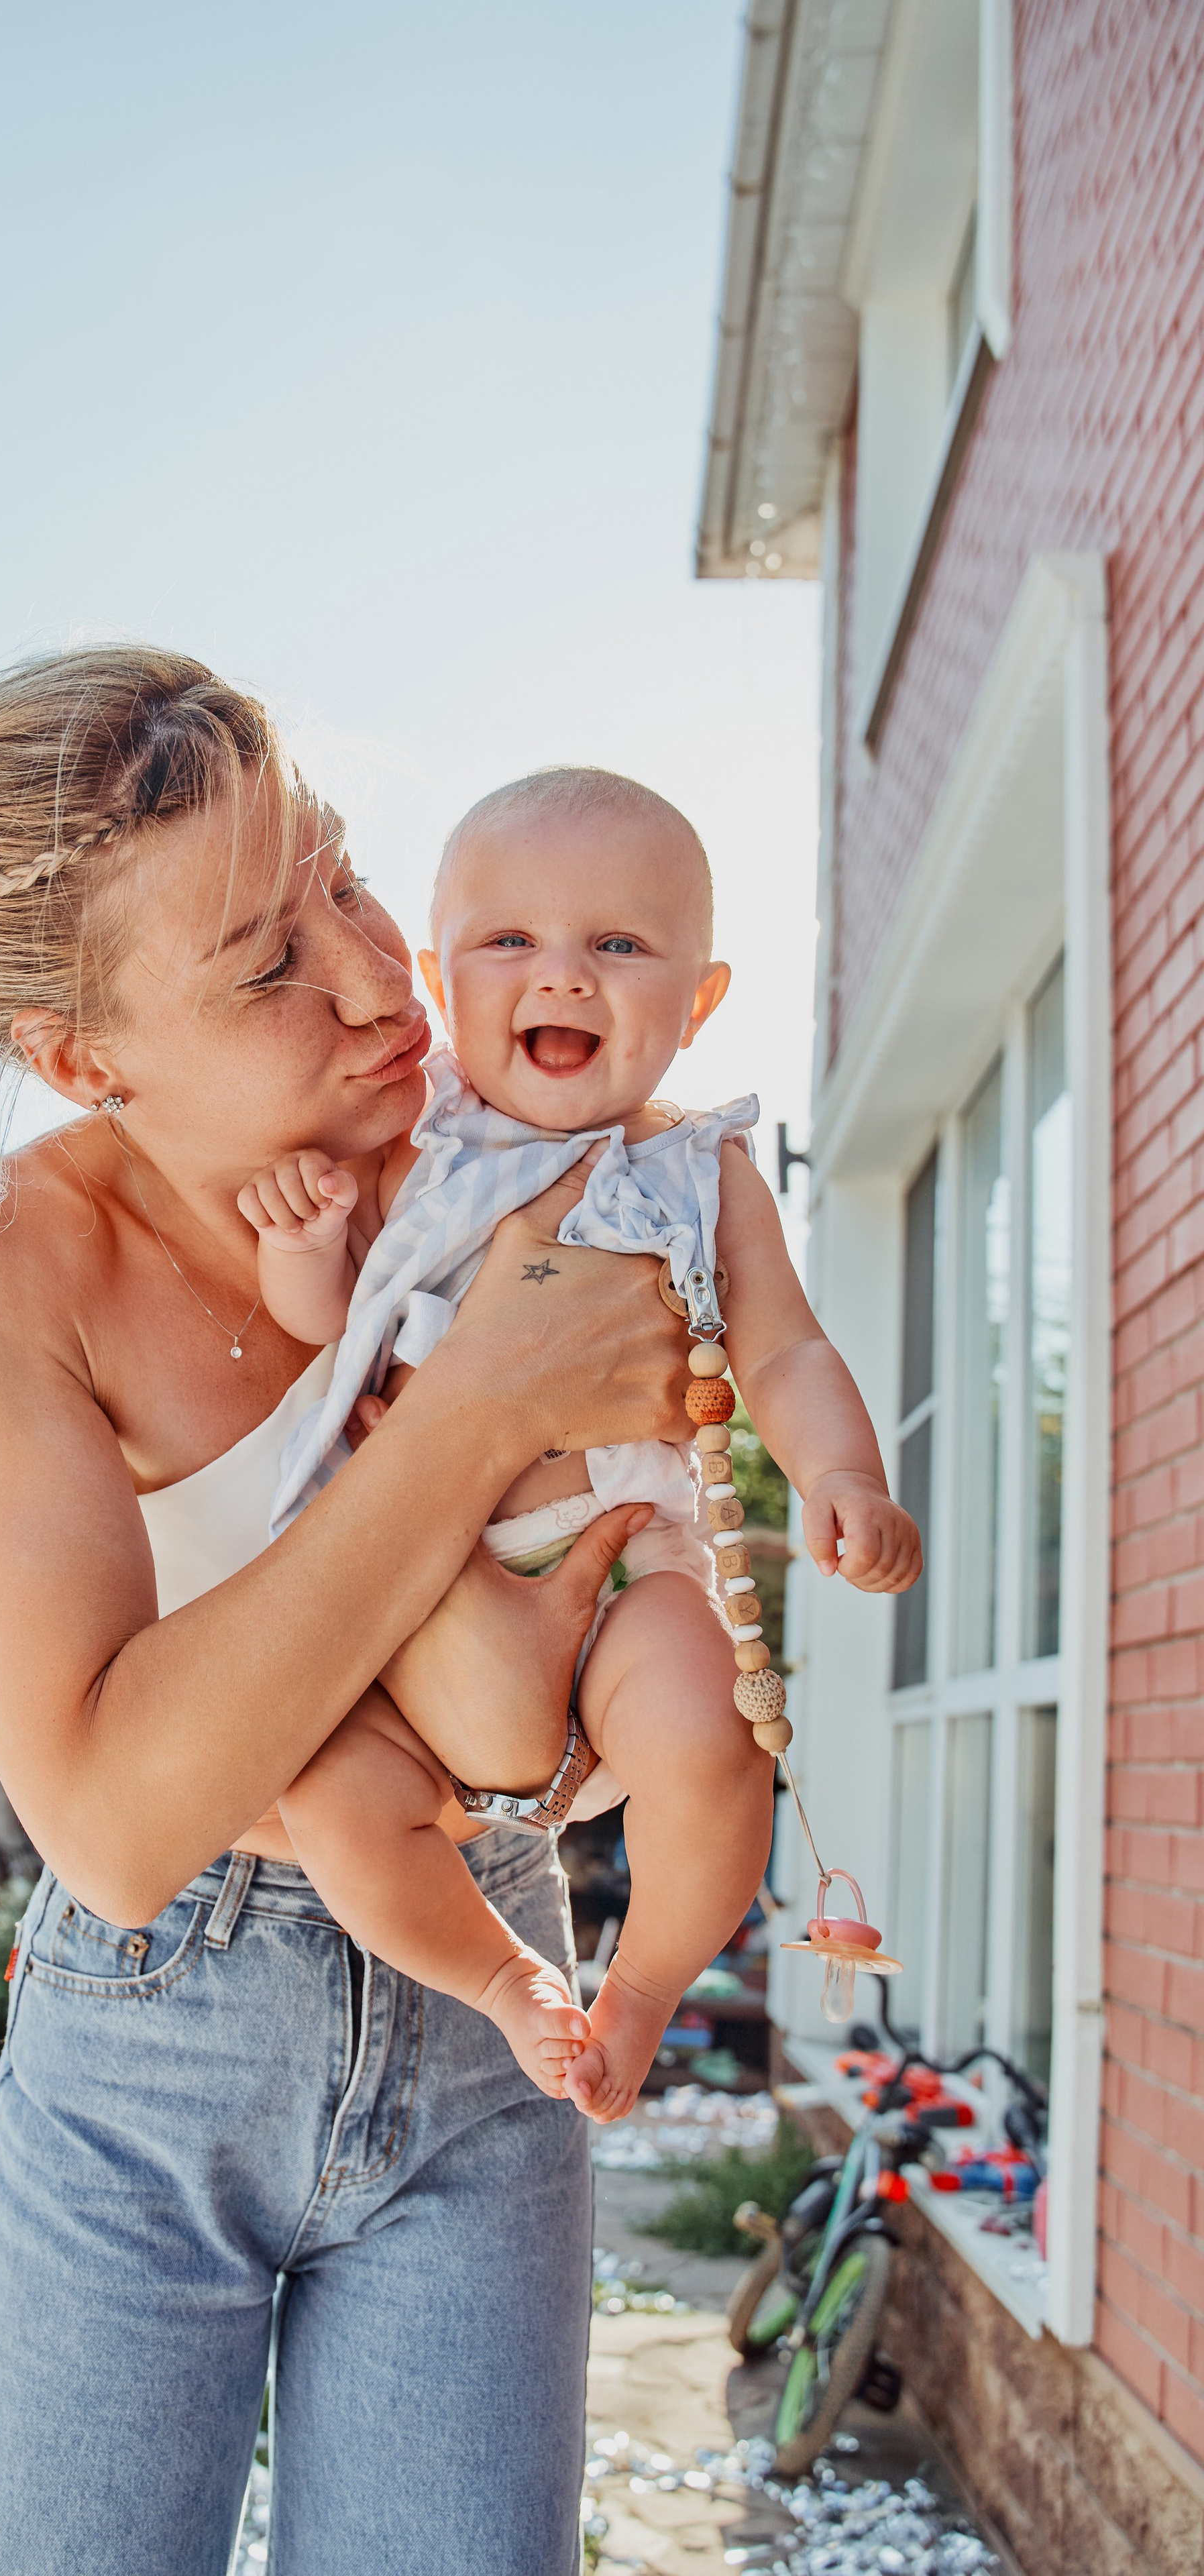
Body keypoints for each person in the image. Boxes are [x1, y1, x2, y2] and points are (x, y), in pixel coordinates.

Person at [0, 645, 760, 2576]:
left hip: (499, 2003)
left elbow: (672, 1480)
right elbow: (118, 1823)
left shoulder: (493, 1142)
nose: (385, 976)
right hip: (151, 2048)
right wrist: (476, 1407)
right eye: (265, 965)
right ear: (84, 1057)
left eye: (343, 874)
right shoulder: (1, 1260)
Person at [240, 768, 922, 2120]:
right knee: (327, 1794)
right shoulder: (406, 1144)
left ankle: (645, 1983)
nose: (561, 974)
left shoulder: (700, 1171)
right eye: (510, 942)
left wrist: (841, 1474)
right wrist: (303, 1251)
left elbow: (781, 1347)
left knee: (712, 1729)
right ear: (439, 978)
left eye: (616, 944)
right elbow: (332, 1340)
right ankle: (504, 1984)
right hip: (395, 1594)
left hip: (625, 1585)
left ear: (698, 1002)